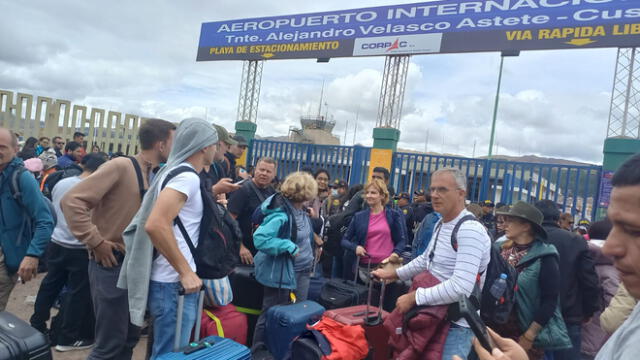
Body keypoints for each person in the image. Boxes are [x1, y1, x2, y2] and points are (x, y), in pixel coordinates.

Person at [62, 118, 175, 360]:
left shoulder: (155, 173)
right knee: (109, 345)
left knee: (128, 340)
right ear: (161, 144)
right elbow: (72, 201)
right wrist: (96, 241)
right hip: (112, 265)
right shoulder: (121, 166)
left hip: (135, 268)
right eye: (173, 141)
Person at [122, 118, 218, 358]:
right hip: (173, 284)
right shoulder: (188, 178)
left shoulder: (173, 171)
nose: (217, 148)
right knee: (170, 354)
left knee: (164, 351)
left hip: (168, 283)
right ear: (204, 146)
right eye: (215, 143)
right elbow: (156, 224)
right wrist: (185, 272)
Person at [372, 167, 491, 360]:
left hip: (456, 325)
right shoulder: (441, 223)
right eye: (433, 189)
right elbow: (427, 259)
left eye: (442, 189)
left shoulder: (470, 230)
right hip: (433, 315)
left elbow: (461, 288)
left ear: (462, 194)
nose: (434, 195)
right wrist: (394, 274)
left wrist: (414, 297)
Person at [29, 153, 107, 352]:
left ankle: (37, 324)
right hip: (80, 248)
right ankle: (67, 337)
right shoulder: (95, 188)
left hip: (56, 241)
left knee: (49, 285)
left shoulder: (62, 183)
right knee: (76, 294)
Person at [491, 202, 572, 359]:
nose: (504, 224)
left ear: (525, 226)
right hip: (494, 328)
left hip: (523, 333)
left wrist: (530, 335)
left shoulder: (545, 256)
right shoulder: (500, 249)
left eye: (510, 221)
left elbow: (550, 301)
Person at [250, 171, 318, 353]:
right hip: (283, 272)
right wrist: (287, 245)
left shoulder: (299, 210)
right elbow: (260, 239)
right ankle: (259, 351)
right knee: (271, 313)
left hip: (302, 270)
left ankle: (286, 350)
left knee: (297, 313)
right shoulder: (281, 214)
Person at [532, 200, 601, 360]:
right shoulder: (575, 240)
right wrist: (589, 309)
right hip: (568, 316)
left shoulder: (528, 239)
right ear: (558, 218)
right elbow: (589, 279)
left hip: (531, 316)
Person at [0, 128, 55, 311]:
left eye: (2, 147)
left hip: (4, 258)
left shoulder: (22, 178)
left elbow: (45, 220)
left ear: (16, 149)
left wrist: (32, 255)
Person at [341, 179, 407, 310]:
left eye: (373, 193)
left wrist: (396, 253)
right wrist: (356, 247)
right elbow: (344, 240)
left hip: (387, 269)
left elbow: (402, 240)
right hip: (364, 270)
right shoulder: (359, 216)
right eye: (367, 193)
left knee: (385, 309)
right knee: (365, 309)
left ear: (382, 196)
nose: (369, 196)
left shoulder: (393, 215)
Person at [228, 157, 277, 264]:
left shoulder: (272, 193)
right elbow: (229, 220)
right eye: (261, 169)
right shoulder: (243, 190)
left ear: (274, 175)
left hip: (261, 253)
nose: (264, 173)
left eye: (268, 171)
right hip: (242, 254)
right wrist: (240, 247)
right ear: (255, 170)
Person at [582, 219, 618, 360]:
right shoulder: (609, 270)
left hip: (580, 332)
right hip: (598, 339)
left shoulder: (582, 259)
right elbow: (615, 308)